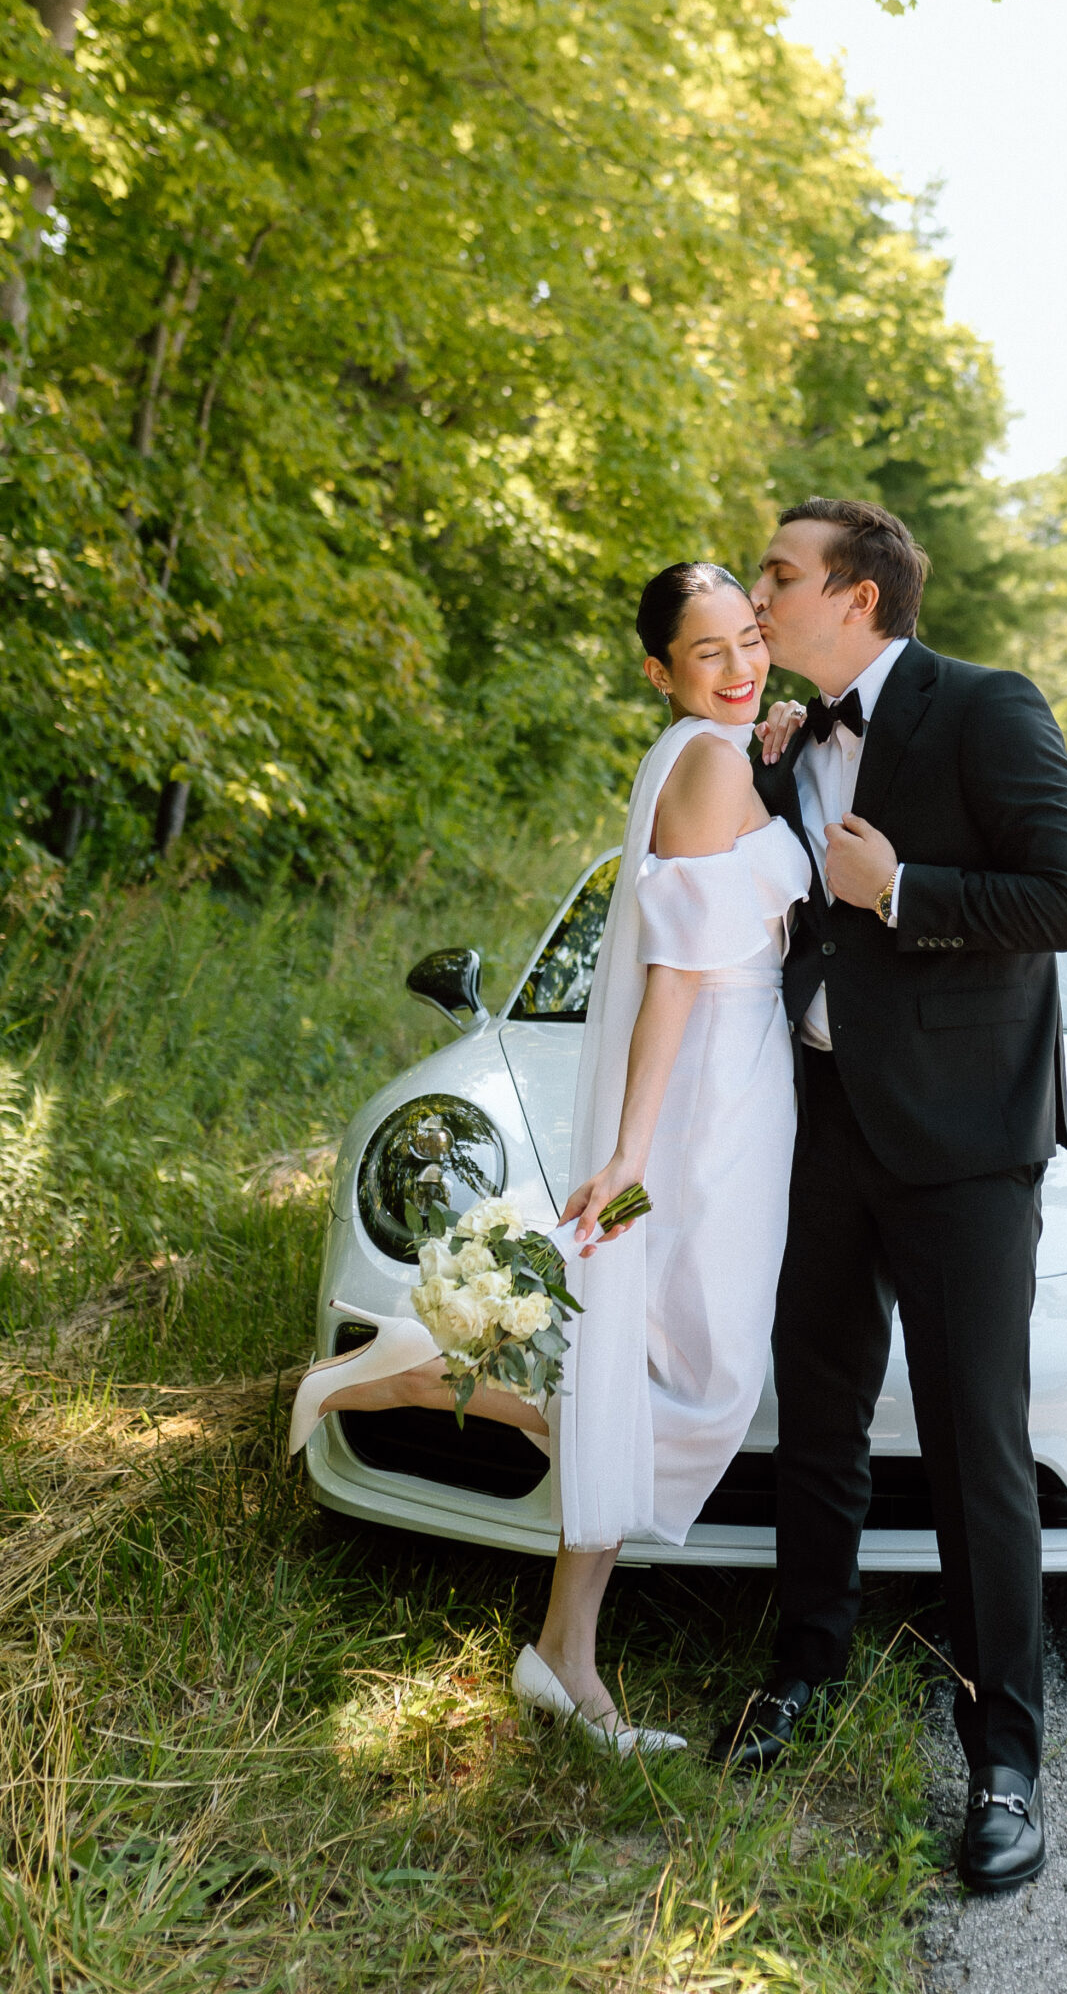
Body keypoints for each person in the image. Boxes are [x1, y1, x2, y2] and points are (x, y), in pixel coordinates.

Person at [289, 562, 809, 1752]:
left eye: (749, 642)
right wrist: (632, 1148)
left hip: (734, 1086)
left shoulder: (704, 754)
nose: (739, 669)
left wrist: (771, 756)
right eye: (708, 653)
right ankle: (419, 1374)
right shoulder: (709, 760)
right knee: (706, 1387)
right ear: (659, 671)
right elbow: (678, 968)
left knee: (646, 1367)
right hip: (709, 1102)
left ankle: (564, 1654)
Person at [717, 496, 1067, 1894]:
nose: (757, 594)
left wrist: (908, 891)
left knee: (972, 1450)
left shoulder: (988, 707)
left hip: (962, 1147)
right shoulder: (783, 740)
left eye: (777, 573)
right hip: (819, 1127)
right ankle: (799, 1676)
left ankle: (1004, 1757)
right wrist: (770, 782)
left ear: (858, 598)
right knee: (815, 1420)